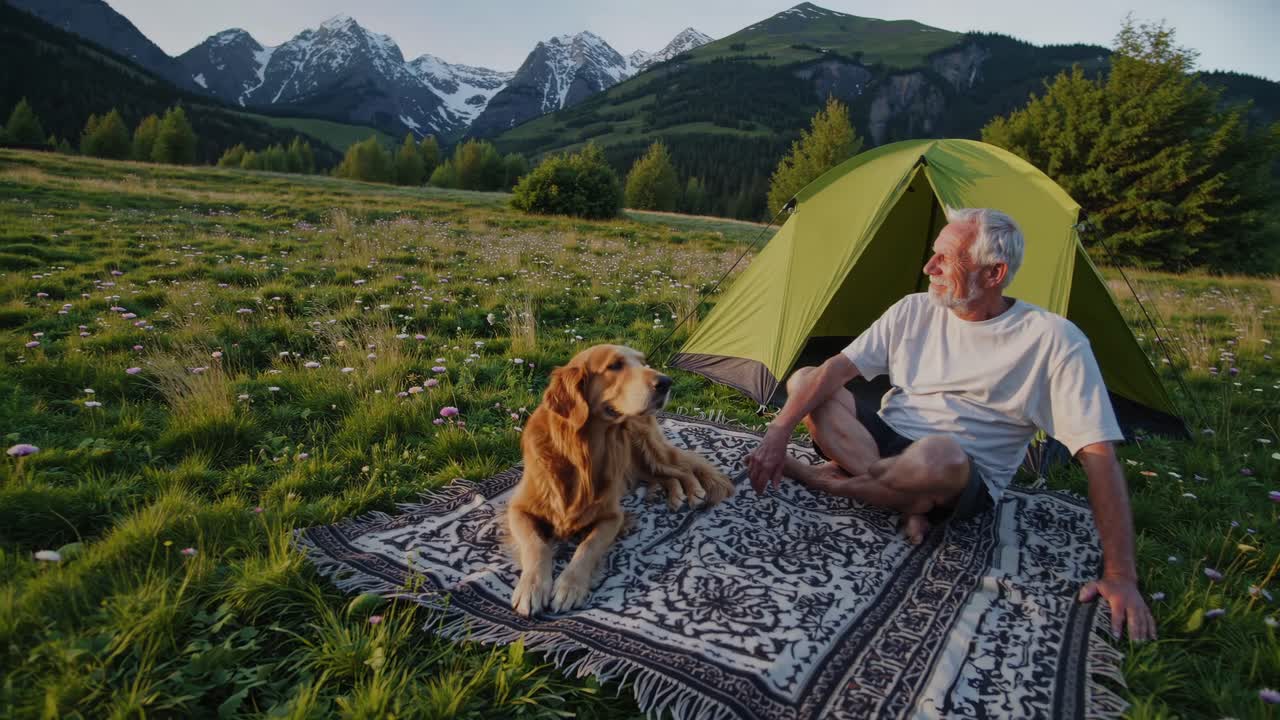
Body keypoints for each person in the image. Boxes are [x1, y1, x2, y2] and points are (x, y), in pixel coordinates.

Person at [745, 207, 1156, 642]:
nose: (929, 267)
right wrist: (778, 432)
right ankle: (904, 497)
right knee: (807, 380)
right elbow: (835, 371)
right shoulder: (912, 310)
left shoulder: (1054, 341)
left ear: (994, 273)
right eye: (933, 255)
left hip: (959, 469)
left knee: (938, 453)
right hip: (885, 439)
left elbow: (1099, 456)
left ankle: (830, 482)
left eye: (946, 259)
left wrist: (1120, 575)